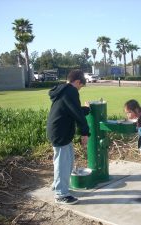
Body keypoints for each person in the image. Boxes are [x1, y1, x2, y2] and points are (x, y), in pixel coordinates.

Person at [47, 70, 90, 205]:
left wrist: (86, 109)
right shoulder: (71, 91)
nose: (80, 89)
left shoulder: (63, 90)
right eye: (81, 86)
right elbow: (77, 115)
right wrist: (85, 133)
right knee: (63, 163)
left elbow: (72, 110)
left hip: (58, 130)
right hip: (61, 132)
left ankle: (57, 185)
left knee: (67, 160)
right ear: (77, 82)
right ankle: (61, 194)